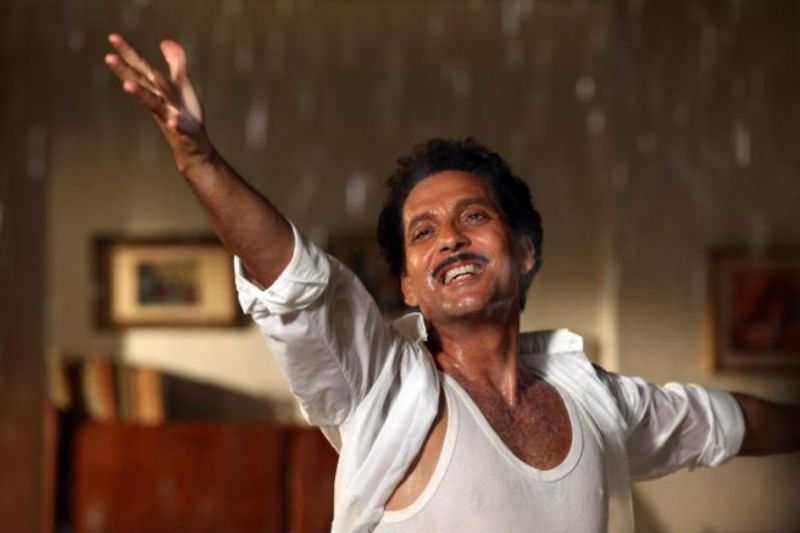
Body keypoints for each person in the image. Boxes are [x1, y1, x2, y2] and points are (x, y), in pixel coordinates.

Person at [105, 34, 800, 533]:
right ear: (409, 286)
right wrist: (201, 161)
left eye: (474, 216)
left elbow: (725, 422)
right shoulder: (382, 388)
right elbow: (297, 281)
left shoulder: (596, 401)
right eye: (423, 232)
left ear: (524, 251)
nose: (451, 239)